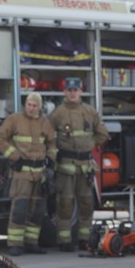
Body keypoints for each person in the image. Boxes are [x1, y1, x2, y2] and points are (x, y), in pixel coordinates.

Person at [48, 77, 109, 252]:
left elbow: (103, 134)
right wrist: (54, 153)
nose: (73, 93)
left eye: (76, 90)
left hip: (85, 166)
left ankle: (85, 239)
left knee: (86, 204)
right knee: (65, 204)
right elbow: (47, 135)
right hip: (65, 166)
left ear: (81, 91)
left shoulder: (90, 112)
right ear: (65, 92)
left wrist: (90, 144)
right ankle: (64, 241)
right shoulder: (58, 113)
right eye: (70, 90)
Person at [0, 92, 57, 257]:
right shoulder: (14, 120)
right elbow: (0, 139)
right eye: (29, 105)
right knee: (19, 209)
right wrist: (15, 156)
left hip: (40, 175)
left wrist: (51, 158)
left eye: (34, 106)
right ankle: (15, 244)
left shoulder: (44, 123)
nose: (31, 108)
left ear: (39, 107)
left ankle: (31, 243)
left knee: (37, 211)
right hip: (21, 173)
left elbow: (52, 143)